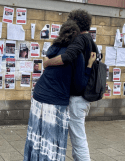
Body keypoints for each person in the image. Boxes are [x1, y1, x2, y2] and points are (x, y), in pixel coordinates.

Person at [23, 20, 96, 161]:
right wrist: (89, 66)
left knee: (35, 137)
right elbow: (79, 86)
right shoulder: (77, 55)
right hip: (55, 101)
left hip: (38, 95)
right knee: (51, 142)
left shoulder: (54, 48)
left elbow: (48, 63)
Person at [43, 9, 97, 161]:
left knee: (78, 139)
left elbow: (67, 57)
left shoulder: (81, 40)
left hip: (78, 98)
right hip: (83, 98)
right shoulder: (91, 41)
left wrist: (47, 63)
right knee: (76, 137)